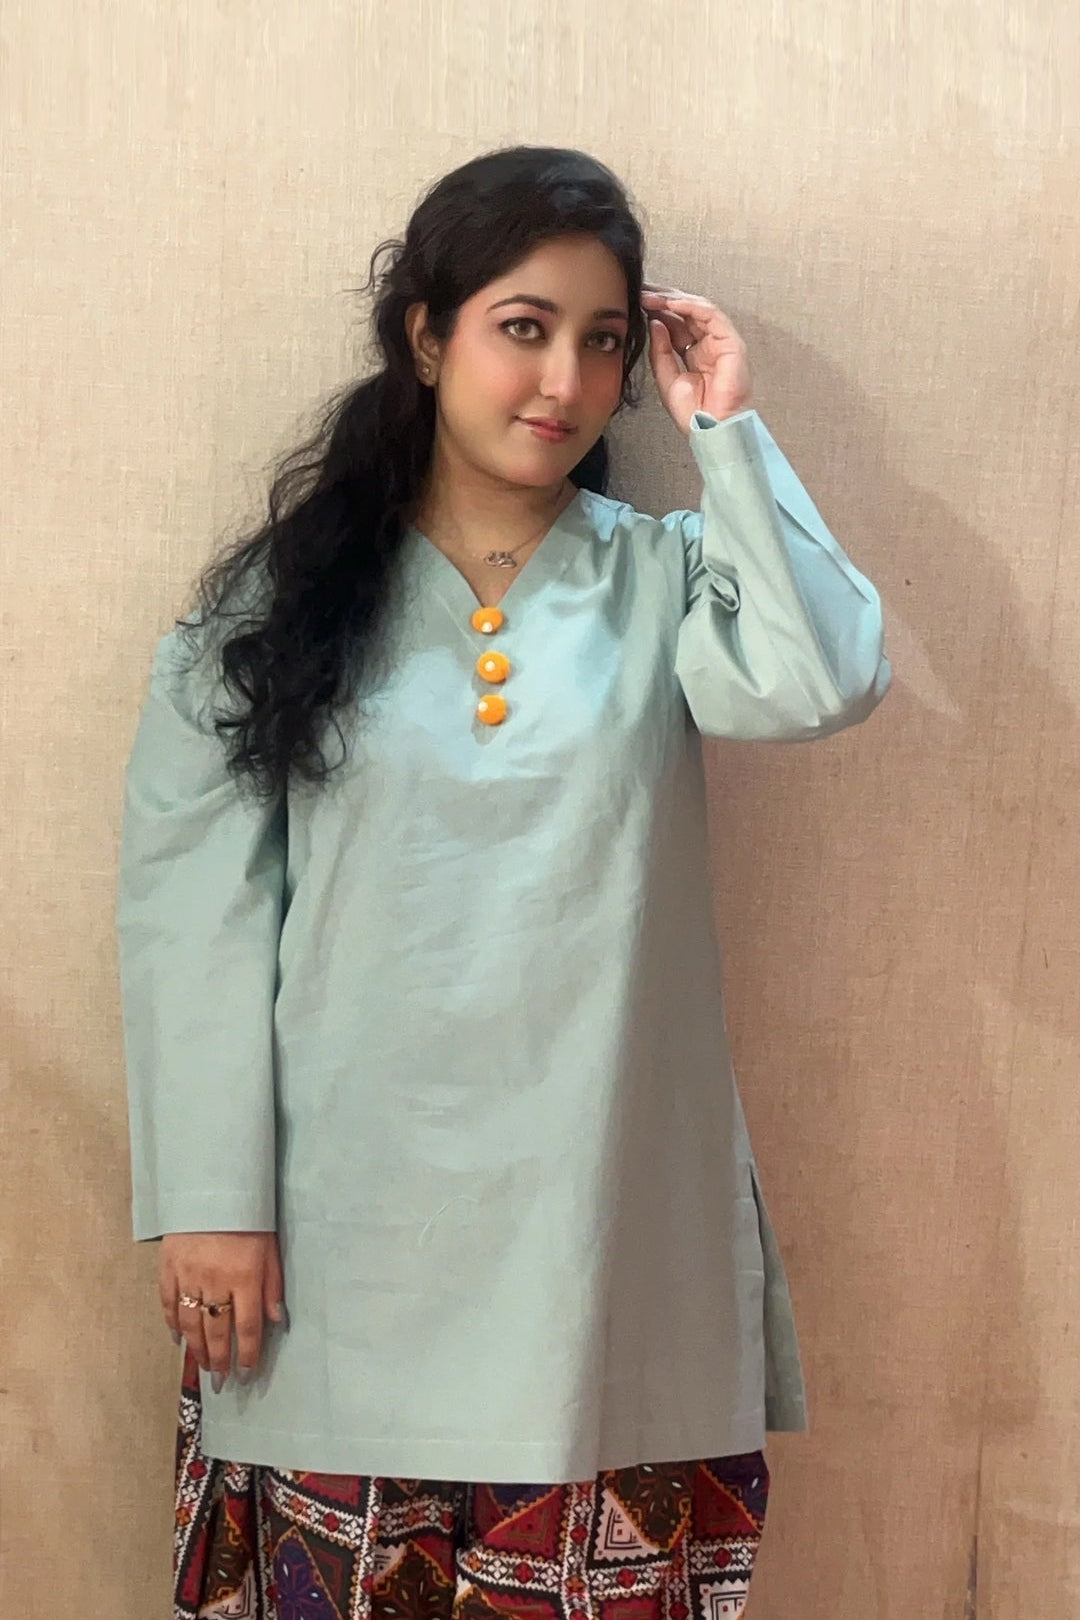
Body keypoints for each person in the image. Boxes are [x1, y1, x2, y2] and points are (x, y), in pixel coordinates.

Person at [115, 143, 892, 1619]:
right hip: (338, 1242)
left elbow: (823, 679)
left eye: (601, 342)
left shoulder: (664, 576)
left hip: (601, 1233)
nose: (563, 380)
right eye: (522, 328)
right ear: (426, 337)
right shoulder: (275, 606)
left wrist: (727, 438)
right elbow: (191, 916)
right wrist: (210, 1199)